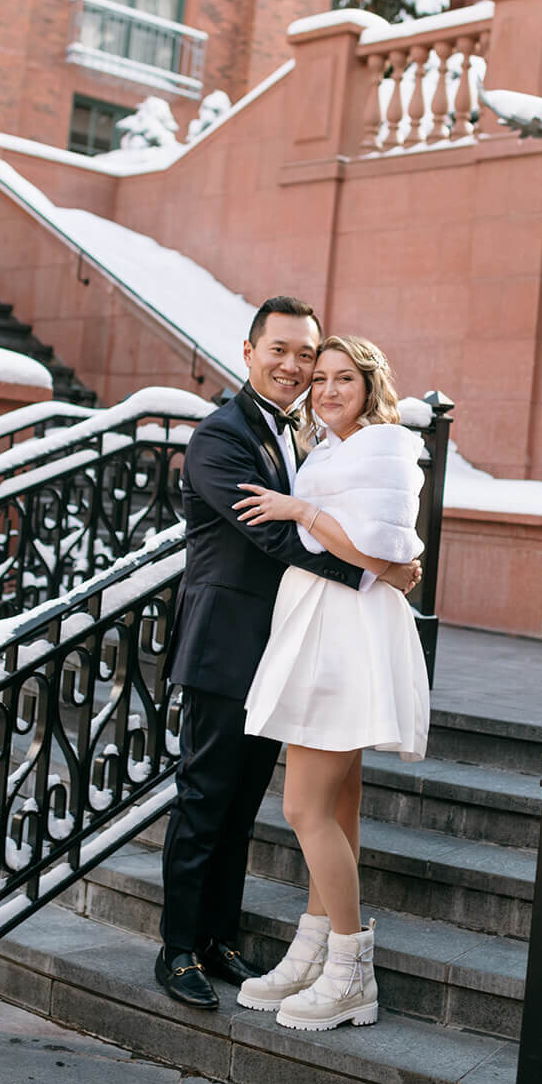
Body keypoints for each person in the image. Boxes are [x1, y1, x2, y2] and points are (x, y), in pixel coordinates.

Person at [155, 299, 420, 1011]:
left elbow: (348, 512)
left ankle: (218, 939)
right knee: (205, 797)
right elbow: (270, 538)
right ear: (248, 352)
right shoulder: (220, 437)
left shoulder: (307, 435)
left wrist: (376, 556)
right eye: (281, 351)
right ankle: (178, 947)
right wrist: (375, 572)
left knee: (242, 805)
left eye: (305, 355)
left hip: (287, 644)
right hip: (223, 645)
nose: (294, 366)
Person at [232, 335, 430, 1032]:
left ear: (371, 385)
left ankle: (350, 970)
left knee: (302, 808)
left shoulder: (382, 445)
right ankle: (313, 949)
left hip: (346, 634)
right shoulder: (333, 448)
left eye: (343, 378)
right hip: (325, 622)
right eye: (319, 380)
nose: (326, 390)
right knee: (337, 807)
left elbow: (379, 550)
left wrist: (302, 512)